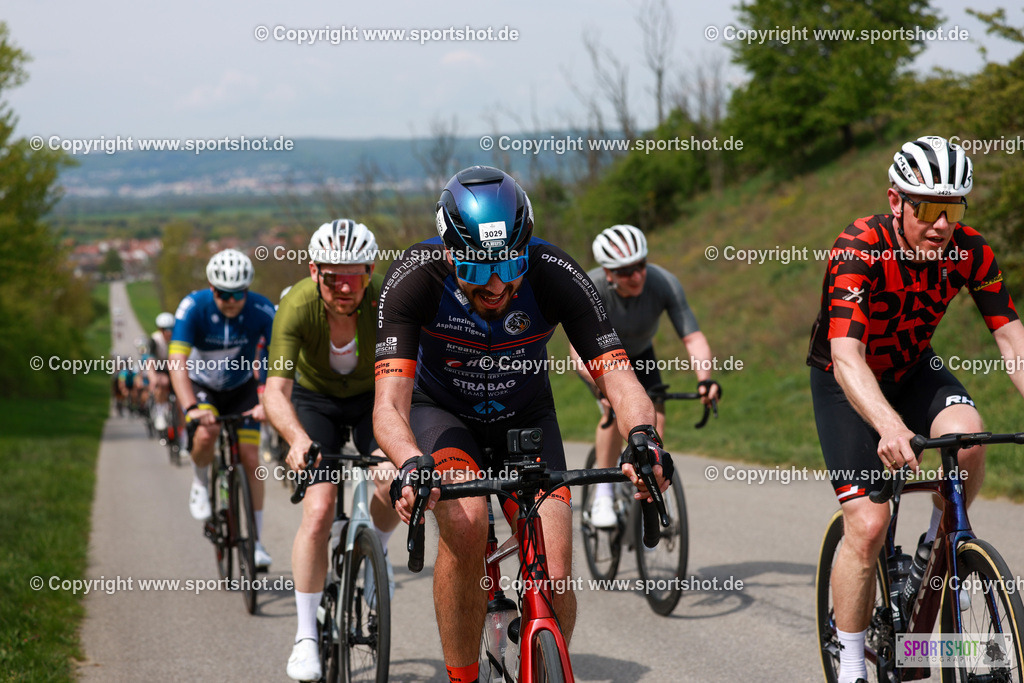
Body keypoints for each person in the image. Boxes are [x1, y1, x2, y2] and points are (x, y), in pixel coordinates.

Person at [374, 166, 673, 683]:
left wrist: (642, 439)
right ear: (449, 252)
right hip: (442, 417)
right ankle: (463, 677)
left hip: (526, 416)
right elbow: (388, 405)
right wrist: (409, 463)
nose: (496, 284)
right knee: (466, 528)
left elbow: (620, 376)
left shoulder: (554, 271)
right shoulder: (416, 276)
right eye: (478, 271)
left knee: (554, 577)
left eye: (508, 265)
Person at [807, 136, 1024, 683]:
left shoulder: (971, 250)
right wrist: (888, 425)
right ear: (896, 200)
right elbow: (846, 353)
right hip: (847, 379)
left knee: (968, 436)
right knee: (870, 523)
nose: (940, 224)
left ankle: (937, 545)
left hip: (910, 365)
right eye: (927, 208)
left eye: (952, 209)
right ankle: (853, 661)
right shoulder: (859, 247)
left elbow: (1011, 338)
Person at [262, 219, 399, 681]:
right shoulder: (298, 305)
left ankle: (376, 552)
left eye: (355, 275)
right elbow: (275, 391)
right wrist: (297, 439)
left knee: (393, 481)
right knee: (319, 510)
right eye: (332, 276)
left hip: (372, 399)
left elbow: (407, 377)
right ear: (313, 270)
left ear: (370, 270)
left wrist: (392, 448)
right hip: (314, 401)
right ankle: (304, 636)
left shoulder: (386, 301)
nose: (344, 287)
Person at [570, 224, 721, 527]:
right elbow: (577, 354)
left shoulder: (664, 282)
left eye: (641, 266)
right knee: (614, 413)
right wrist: (605, 391)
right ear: (608, 272)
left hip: (640, 355)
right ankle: (603, 492)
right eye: (625, 271)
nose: (637, 276)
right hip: (599, 359)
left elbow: (692, 338)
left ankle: (649, 484)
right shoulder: (591, 286)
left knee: (654, 418)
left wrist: (705, 379)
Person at [169, 248, 276, 569]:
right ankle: (201, 482)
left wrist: (268, 400)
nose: (231, 300)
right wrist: (190, 407)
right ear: (211, 288)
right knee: (207, 431)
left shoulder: (262, 309)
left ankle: (256, 543)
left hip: (241, 388)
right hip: (203, 388)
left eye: (238, 293)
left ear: (248, 289)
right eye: (223, 293)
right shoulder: (193, 307)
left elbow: (280, 359)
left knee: (251, 457)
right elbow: (177, 362)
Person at [147, 312, 176, 431]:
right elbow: (150, 362)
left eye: (172, 329)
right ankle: (160, 412)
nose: (169, 332)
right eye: (166, 329)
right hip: (159, 368)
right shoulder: (154, 340)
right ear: (160, 329)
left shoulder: (177, 339)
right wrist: (153, 378)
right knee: (162, 383)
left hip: (173, 368)